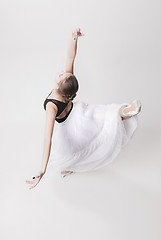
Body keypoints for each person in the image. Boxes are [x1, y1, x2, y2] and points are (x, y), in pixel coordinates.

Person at [26, 28, 142, 189]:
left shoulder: (52, 105)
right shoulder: (67, 87)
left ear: (59, 86)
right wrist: (74, 40)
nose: (61, 72)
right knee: (104, 115)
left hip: (68, 126)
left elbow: (48, 138)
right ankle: (124, 111)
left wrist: (42, 170)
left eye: (62, 75)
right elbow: (70, 58)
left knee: (71, 152)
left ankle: (69, 167)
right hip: (81, 114)